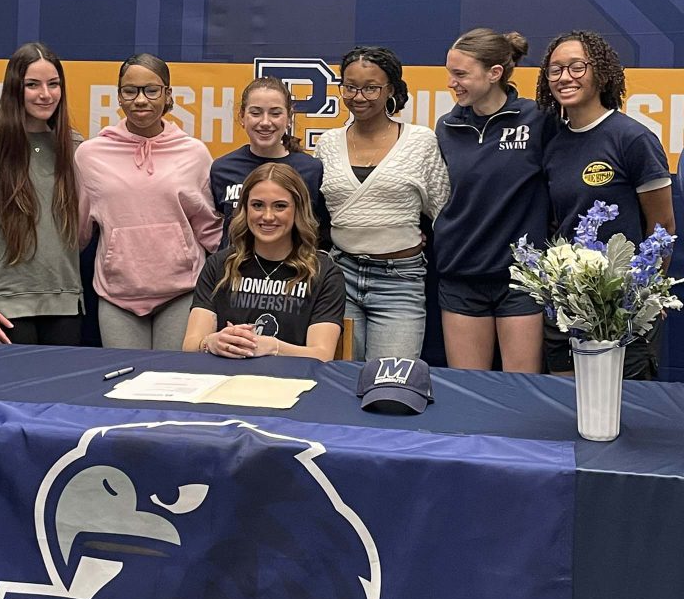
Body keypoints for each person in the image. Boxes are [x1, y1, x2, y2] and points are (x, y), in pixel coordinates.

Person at [536, 30, 674, 379]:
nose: (565, 77)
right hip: (567, 308)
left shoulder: (633, 138)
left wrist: (646, 294)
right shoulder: (553, 143)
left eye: (577, 67)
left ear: (601, 71)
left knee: (620, 418)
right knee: (564, 413)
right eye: (555, 70)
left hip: (622, 312)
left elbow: (663, 227)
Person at [75, 53, 222, 350]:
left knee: (173, 385)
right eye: (130, 91)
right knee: (123, 387)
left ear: (168, 95)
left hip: (182, 292)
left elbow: (210, 228)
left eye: (151, 90)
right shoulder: (90, 155)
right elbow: (78, 233)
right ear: (119, 97)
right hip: (118, 297)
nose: (140, 100)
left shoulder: (193, 153)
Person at [314, 45, 450, 361]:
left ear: (391, 88)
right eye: (350, 86)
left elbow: (442, 210)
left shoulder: (420, 140)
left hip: (399, 282)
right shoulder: (328, 144)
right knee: (340, 383)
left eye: (371, 88)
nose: (358, 97)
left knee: (392, 385)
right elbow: (318, 213)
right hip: (340, 278)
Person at [435, 28, 555, 372]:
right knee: (470, 392)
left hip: (520, 279)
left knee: (520, 391)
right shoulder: (447, 126)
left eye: (460, 74)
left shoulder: (537, 119)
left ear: (495, 73)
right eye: (449, 73)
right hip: (461, 274)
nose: (451, 83)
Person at [0, 42, 82, 345]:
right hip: (5, 308)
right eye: (32, 85)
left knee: (60, 393)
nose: (45, 94)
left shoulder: (75, 148)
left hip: (65, 304)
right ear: (14, 89)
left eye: (53, 84)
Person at [183, 162, 345, 360]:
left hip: (292, 383)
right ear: (245, 208)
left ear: (298, 210)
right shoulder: (219, 265)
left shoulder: (324, 272)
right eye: (257, 205)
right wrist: (211, 343)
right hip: (225, 380)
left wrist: (272, 347)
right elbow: (191, 346)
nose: (268, 216)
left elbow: (322, 355)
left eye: (280, 206)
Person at [210, 76, 327, 247]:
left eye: (275, 113)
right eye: (256, 113)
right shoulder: (222, 169)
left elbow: (321, 230)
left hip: (294, 270)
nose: (265, 122)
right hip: (236, 269)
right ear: (242, 117)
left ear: (289, 118)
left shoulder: (311, 169)